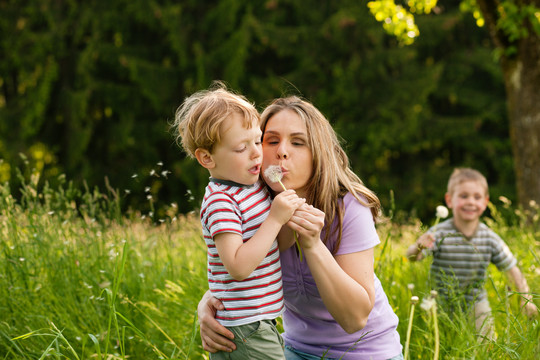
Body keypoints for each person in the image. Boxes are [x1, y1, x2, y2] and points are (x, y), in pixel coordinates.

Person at [198, 96, 403, 360]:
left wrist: (312, 244)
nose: (282, 151)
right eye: (271, 140)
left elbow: (355, 320)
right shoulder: (254, 206)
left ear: (318, 151)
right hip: (296, 350)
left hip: (366, 352)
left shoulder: (349, 207)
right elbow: (239, 267)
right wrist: (209, 305)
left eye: (298, 142)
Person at [173, 84, 305, 359]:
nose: (256, 153)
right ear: (207, 158)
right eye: (241, 148)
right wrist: (276, 217)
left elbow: (274, 245)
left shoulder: (252, 186)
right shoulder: (221, 201)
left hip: (261, 320)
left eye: (257, 141)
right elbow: (237, 267)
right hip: (243, 328)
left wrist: (291, 221)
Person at [407, 167, 538, 340]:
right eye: (463, 196)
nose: (470, 201)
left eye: (477, 197)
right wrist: (418, 246)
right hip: (439, 301)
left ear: (485, 202)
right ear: (449, 200)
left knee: (486, 342)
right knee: (442, 343)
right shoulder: (439, 232)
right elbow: (411, 257)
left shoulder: (489, 238)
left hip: (476, 303)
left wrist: (526, 299)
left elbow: (511, 268)